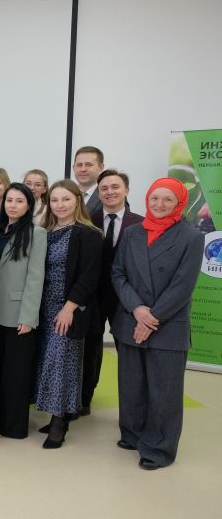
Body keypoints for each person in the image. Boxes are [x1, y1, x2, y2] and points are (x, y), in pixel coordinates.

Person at [111, 178, 203, 470]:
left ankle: (159, 448)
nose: (159, 204)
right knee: (132, 385)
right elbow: (118, 274)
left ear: (179, 203)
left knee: (165, 391)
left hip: (168, 324)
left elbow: (183, 285)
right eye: (154, 198)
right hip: (131, 319)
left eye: (167, 199)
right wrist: (138, 309)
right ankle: (133, 434)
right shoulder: (132, 233)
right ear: (147, 200)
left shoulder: (191, 236)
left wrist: (152, 317)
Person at [34, 179, 102, 449]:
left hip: (67, 309)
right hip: (43, 307)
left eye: (66, 199)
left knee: (62, 364)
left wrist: (69, 308)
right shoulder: (44, 231)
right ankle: (55, 414)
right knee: (46, 363)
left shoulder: (88, 233)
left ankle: (59, 423)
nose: (60, 205)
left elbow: (89, 276)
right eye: (54, 200)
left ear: (78, 201)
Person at [82, 170, 143, 415]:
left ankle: (133, 410)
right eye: (104, 188)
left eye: (115, 187)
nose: (109, 192)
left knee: (128, 355)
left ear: (126, 190)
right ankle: (84, 400)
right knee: (89, 351)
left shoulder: (140, 224)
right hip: (93, 297)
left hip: (126, 300)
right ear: (98, 193)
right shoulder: (88, 220)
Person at [0, 183, 46, 438]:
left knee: (16, 372)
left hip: (18, 314)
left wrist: (28, 317)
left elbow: (36, 278)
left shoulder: (36, 233)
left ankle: (13, 426)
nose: (13, 205)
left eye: (19, 201)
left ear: (28, 205)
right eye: (9, 200)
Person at [72, 146, 105, 214]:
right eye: (79, 165)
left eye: (88, 165)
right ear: (73, 167)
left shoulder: (110, 195)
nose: (83, 169)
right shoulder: (66, 194)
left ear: (101, 167)